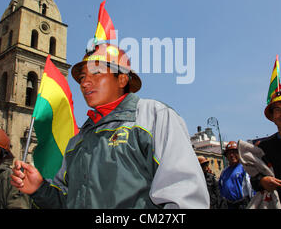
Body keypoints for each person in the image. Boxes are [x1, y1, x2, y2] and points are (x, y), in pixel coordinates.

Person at [11, 43, 209, 208]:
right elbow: (67, 201)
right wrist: (39, 189)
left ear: (122, 78)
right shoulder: (76, 143)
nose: (84, 83)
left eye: (96, 73)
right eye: (82, 77)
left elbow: (185, 197)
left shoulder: (154, 117)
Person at [218, 141, 254, 209]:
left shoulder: (245, 169)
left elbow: (251, 188)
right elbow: (220, 189)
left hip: (243, 205)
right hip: (229, 205)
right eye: (229, 153)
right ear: (226, 156)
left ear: (239, 153)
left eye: (234, 152)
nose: (232, 155)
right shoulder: (224, 172)